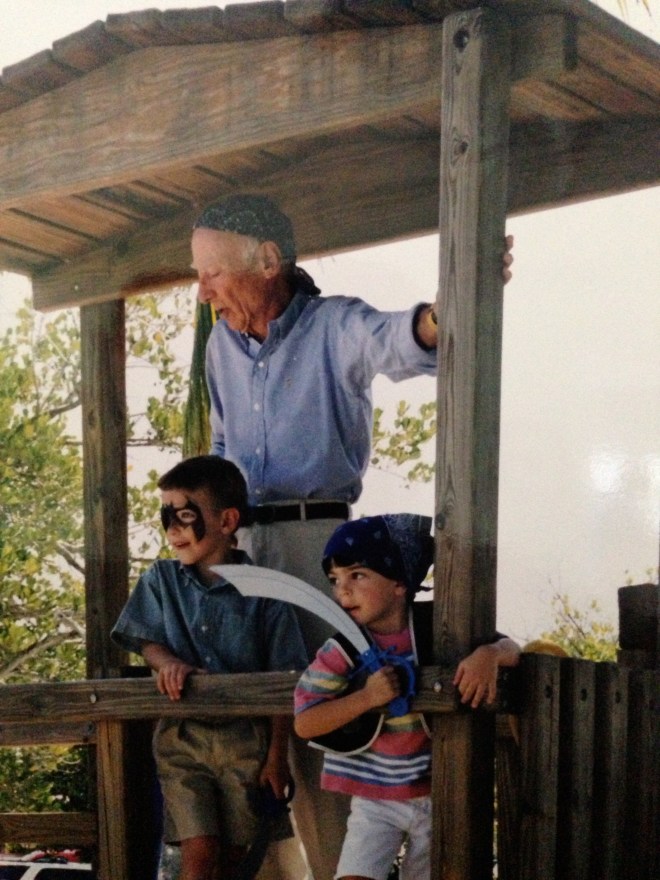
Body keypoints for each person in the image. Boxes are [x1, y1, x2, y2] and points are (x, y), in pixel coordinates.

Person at [191, 193, 514, 880]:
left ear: (268, 262)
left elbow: (403, 338)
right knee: (246, 733)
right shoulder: (221, 344)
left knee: (332, 728)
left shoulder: (334, 325)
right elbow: (220, 454)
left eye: (211, 273)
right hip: (243, 553)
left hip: (316, 550)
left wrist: (445, 309)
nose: (202, 291)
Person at [111, 455, 308, 880]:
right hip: (182, 739)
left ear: (227, 520)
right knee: (198, 854)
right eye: (166, 518)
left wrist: (277, 757)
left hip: (247, 746)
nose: (173, 530)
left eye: (184, 516)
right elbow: (146, 640)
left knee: (236, 863)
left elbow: (284, 682)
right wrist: (166, 663)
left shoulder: (267, 591)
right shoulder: (159, 581)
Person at [293, 514, 521, 880]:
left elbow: (512, 648)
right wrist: (367, 698)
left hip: (440, 792)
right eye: (335, 580)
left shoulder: (440, 628)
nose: (342, 591)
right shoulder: (344, 649)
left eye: (357, 575)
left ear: (399, 583)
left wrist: (490, 656)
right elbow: (305, 722)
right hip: (375, 798)